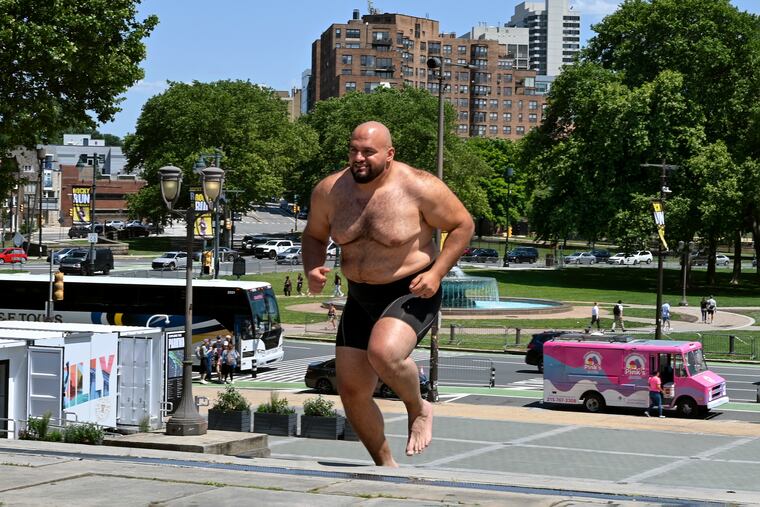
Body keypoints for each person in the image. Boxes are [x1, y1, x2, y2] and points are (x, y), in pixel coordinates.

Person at [301, 121, 475, 467]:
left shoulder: (419, 186)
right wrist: (313, 267)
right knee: (351, 392)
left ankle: (418, 406)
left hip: (410, 290)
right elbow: (313, 235)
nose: (359, 158)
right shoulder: (329, 190)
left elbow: (463, 225)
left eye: (368, 152)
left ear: (389, 154)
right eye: (353, 150)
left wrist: (437, 272)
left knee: (383, 352)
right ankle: (386, 466)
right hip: (360, 295)